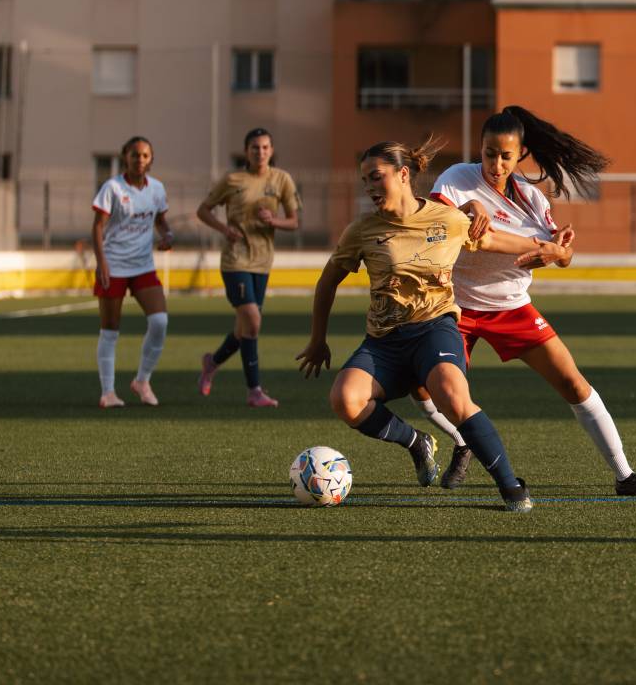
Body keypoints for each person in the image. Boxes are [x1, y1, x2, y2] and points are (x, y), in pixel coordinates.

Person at [296, 136, 569, 513]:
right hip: (384, 343)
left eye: (377, 177)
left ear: (403, 174)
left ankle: (511, 486)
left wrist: (546, 248)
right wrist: (317, 340)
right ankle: (415, 442)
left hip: (434, 330)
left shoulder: (448, 219)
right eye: (365, 181)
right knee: (345, 400)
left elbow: (492, 240)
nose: (370, 188)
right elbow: (327, 282)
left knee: (453, 397)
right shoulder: (361, 231)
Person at [416, 106, 636, 497]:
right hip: (455, 307)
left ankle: (625, 476)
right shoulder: (457, 179)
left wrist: (558, 252)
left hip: (512, 307)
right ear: (478, 150)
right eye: (488, 153)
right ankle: (464, 442)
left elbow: (562, 255)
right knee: (432, 392)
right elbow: (460, 229)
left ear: (521, 156)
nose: (495, 164)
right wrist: (472, 207)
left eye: (505, 156)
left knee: (573, 382)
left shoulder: (533, 198)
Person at [196, 128, 300, 407]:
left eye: (265, 147)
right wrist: (224, 228)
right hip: (236, 260)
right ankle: (254, 391)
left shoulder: (282, 180)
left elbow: (294, 221)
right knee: (253, 322)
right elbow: (203, 210)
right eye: (255, 147)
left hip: (262, 262)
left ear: (271, 150)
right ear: (246, 151)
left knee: (245, 329)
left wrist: (274, 221)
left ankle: (212, 362)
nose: (260, 152)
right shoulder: (233, 180)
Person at [91, 136, 174, 408]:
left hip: (143, 266)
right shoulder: (112, 188)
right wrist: (101, 260)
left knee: (160, 322)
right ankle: (108, 393)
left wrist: (167, 235)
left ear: (151, 160)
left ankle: (142, 381)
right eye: (135, 155)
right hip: (113, 265)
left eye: (145, 155)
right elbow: (98, 227)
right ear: (125, 156)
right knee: (111, 330)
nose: (140, 160)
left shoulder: (157, 189)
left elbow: (161, 222)